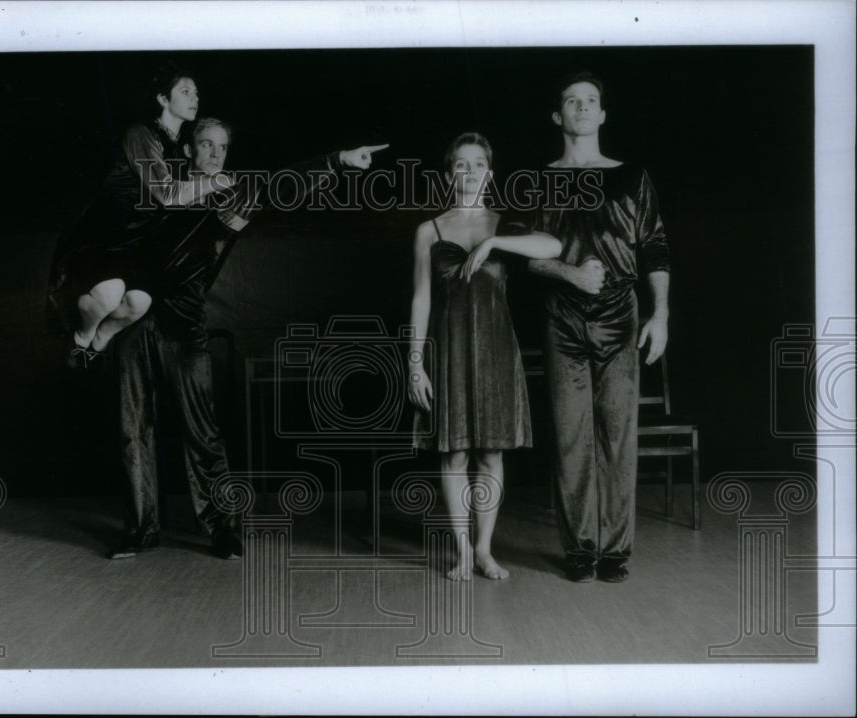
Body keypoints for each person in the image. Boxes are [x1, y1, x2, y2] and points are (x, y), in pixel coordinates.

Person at [108, 110, 388, 560]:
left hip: (184, 322)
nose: (216, 154)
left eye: (223, 147)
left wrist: (337, 161)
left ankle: (221, 527)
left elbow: (284, 183)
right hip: (132, 317)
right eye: (207, 145)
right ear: (188, 150)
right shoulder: (158, 191)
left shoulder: (235, 194)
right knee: (131, 425)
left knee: (203, 430)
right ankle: (141, 530)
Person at [529, 72, 670, 583]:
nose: (582, 107)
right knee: (570, 435)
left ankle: (614, 551)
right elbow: (527, 254)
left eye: (591, 100)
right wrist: (568, 272)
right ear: (558, 116)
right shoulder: (538, 179)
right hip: (562, 315)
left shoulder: (632, 176)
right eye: (572, 100)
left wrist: (662, 313)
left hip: (621, 313)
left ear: (603, 114)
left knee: (618, 433)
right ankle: (580, 549)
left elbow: (654, 245)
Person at [408, 132, 561, 581]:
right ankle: (459, 552)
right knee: (453, 454)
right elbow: (421, 301)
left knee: (492, 454)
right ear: (449, 171)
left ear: (489, 173)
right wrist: (414, 364)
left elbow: (552, 247)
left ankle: (484, 551)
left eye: (478, 163)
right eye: (461, 163)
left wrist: (495, 244)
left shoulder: (504, 224)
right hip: (449, 350)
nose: (469, 170)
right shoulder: (428, 231)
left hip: (496, 349)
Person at [46, 62, 230, 369]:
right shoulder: (141, 134)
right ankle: (81, 337)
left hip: (137, 244)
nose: (194, 98)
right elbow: (168, 195)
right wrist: (216, 182)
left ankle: (101, 339)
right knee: (109, 293)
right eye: (185, 92)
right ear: (163, 99)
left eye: (196, 92)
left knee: (139, 303)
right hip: (102, 237)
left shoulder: (176, 148)